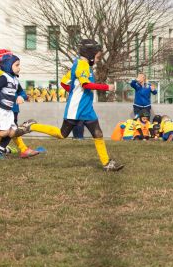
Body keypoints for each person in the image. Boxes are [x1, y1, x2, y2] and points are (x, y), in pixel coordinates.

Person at [21, 39, 124, 171]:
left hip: (87, 108)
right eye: (98, 56)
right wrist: (106, 87)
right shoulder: (82, 65)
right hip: (76, 108)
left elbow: (64, 82)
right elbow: (85, 84)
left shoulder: (81, 64)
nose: (98, 59)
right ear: (91, 54)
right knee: (62, 134)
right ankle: (32, 126)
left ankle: (107, 163)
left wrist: (74, 91)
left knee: (98, 133)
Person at [0, 49, 39, 158]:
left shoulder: (15, 78)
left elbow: (21, 92)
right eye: (17, 65)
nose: (19, 67)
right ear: (8, 64)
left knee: (12, 132)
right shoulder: (1, 75)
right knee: (4, 132)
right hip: (1, 109)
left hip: (10, 109)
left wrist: (21, 96)